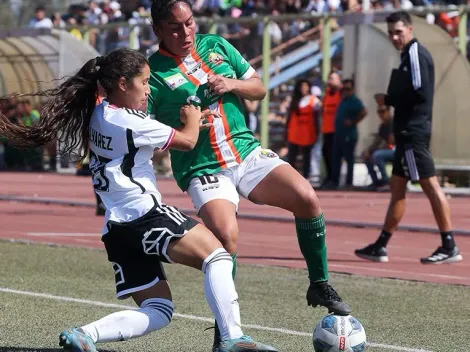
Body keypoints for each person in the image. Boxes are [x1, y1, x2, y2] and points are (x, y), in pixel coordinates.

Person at [0, 48, 278, 352]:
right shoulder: (128, 121)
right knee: (218, 257)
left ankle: (84, 335)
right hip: (143, 214)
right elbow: (185, 142)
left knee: (159, 309)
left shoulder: (98, 114)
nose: (148, 89)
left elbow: (140, 145)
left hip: (116, 227)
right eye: (144, 82)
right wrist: (192, 118)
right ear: (122, 84)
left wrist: (190, 124)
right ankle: (232, 338)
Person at [146, 0, 352, 348]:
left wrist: (230, 84)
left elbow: (258, 87)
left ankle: (319, 283)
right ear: (158, 31)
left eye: (190, 23)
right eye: (175, 27)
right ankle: (225, 331)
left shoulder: (216, 45)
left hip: (246, 151)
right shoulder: (151, 72)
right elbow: (148, 133)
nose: (185, 32)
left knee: (307, 199)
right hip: (203, 165)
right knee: (226, 238)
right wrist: (185, 125)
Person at [355, 11, 463, 264]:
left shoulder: (415, 54)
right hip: (406, 135)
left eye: (398, 32)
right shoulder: (407, 55)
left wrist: (389, 100)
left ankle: (449, 245)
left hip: (413, 135)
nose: (394, 37)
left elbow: (420, 93)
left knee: (429, 185)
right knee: (398, 189)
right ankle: (381, 245)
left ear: (410, 30)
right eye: (391, 32)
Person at [330, 79, 367, 189]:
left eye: (348, 89)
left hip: (348, 135)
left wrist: (353, 121)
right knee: (336, 159)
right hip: (339, 134)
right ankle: (334, 182)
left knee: (348, 159)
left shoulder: (354, 100)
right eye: (344, 89)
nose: (345, 91)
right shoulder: (343, 99)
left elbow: (364, 111)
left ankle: (348, 183)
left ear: (352, 89)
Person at [285, 79, 321, 179]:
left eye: (305, 86)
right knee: (292, 157)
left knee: (306, 158)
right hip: (294, 133)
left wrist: (317, 132)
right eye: (301, 86)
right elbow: (289, 118)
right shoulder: (294, 101)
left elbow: (317, 117)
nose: (303, 88)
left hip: (307, 133)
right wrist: (286, 132)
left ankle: (306, 178)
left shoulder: (314, 100)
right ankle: (291, 178)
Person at [362, 104, 395, 191]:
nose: (381, 114)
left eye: (383, 111)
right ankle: (376, 182)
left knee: (377, 155)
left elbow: (391, 142)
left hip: (397, 151)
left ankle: (386, 182)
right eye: (379, 112)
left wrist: (377, 150)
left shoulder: (394, 123)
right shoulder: (382, 126)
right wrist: (368, 150)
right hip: (387, 150)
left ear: (388, 111)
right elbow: (377, 141)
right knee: (366, 155)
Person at [320, 71, 342, 188]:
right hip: (326, 129)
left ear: (339, 80)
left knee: (335, 156)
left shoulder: (341, 94)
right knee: (326, 153)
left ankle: (334, 180)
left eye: (333, 78)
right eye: (329, 79)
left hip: (336, 130)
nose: (330, 81)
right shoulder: (327, 94)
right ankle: (328, 177)